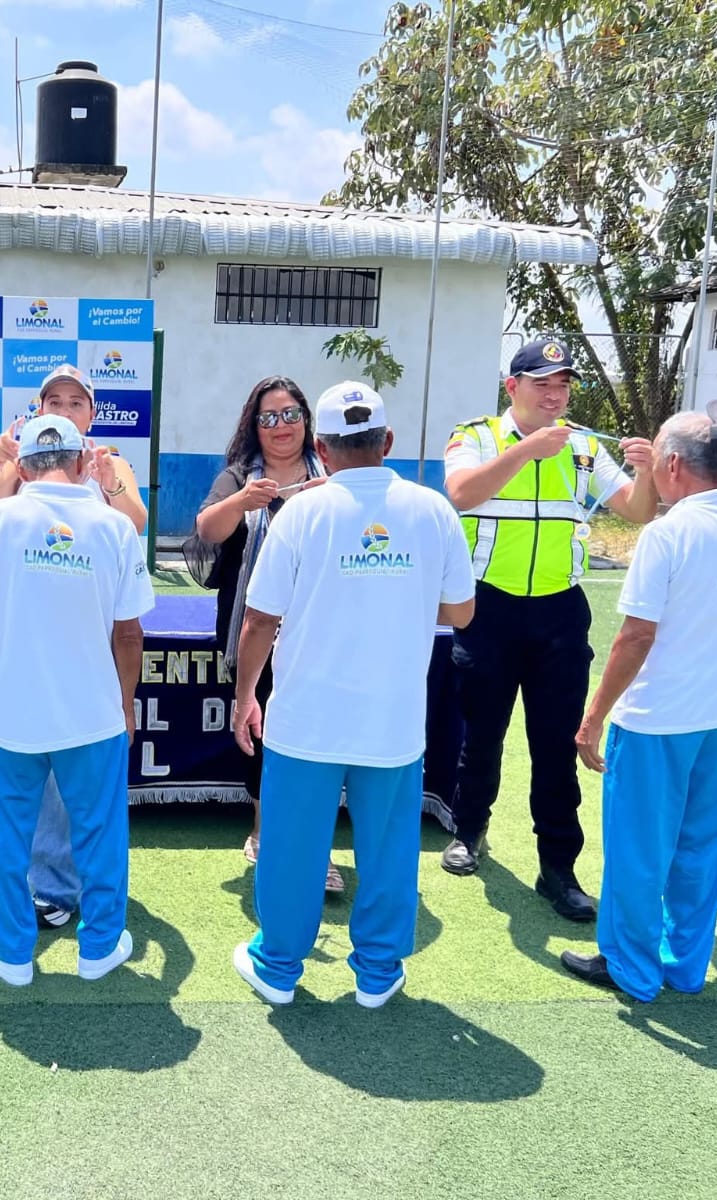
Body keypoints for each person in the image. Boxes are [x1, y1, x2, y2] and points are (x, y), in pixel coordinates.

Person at [231, 383, 475, 1007]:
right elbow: (461, 612)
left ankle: (278, 968)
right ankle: (377, 973)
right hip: (391, 721)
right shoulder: (433, 509)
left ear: (320, 446)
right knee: (388, 850)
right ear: (387, 441)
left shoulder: (301, 513)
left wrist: (244, 695)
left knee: (292, 848)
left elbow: (258, 620)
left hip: (305, 720)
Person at [565, 413, 717, 1000]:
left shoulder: (667, 534)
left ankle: (632, 970)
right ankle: (684, 966)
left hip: (657, 719)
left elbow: (636, 636)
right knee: (703, 847)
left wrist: (593, 717)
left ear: (674, 464)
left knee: (639, 849)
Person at [439, 338, 658, 921]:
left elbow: (637, 510)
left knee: (556, 745)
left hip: (559, 611)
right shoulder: (476, 436)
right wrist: (526, 450)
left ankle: (558, 868)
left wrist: (648, 472)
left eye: (563, 385)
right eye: (543, 384)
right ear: (512, 387)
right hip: (488, 608)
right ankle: (469, 830)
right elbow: (461, 493)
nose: (555, 395)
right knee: (482, 732)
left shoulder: (583, 446)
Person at [0, 413, 154, 985]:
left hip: (12, 712)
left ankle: (11, 953)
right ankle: (99, 948)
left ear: (21, 469)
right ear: (82, 464)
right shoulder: (114, 527)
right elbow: (129, 634)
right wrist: (125, 702)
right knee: (99, 833)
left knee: (6, 836)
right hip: (93, 714)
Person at [193, 375, 343, 894]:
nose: (281, 426)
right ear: (253, 427)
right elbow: (207, 530)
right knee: (259, 732)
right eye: (269, 417)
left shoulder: (334, 472)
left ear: (307, 420)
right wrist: (242, 503)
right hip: (252, 626)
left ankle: (318, 848)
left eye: (290, 414)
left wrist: (334, 497)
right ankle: (263, 830)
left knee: (318, 738)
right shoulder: (240, 476)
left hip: (320, 629)